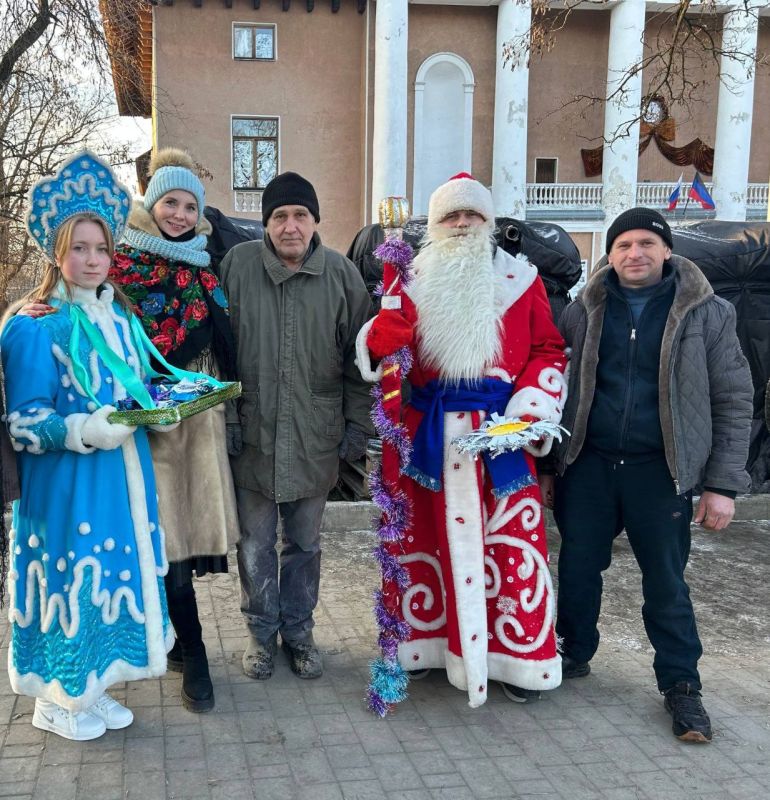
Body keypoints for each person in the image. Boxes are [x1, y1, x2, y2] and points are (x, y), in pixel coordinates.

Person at [542, 207, 753, 743]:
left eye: (645, 243)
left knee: (666, 582)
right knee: (579, 568)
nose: (634, 254)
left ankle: (682, 685)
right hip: (588, 465)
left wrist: (722, 486)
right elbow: (556, 392)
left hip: (661, 471)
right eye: (622, 246)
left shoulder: (708, 313)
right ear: (609, 255)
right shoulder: (582, 311)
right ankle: (573, 653)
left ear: (665, 250)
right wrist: (549, 466)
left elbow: (733, 398)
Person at [357, 173, 567, 707]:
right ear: (434, 224)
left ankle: (519, 661)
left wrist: (529, 410)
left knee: (509, 546)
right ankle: (423, 646)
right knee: (420, 541)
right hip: (426, 436)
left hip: (500, 437)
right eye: (451, 216)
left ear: (487, 222)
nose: (461, 224)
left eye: (471, 215)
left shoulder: (523, 280)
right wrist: (377, 344)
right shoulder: (405, 281)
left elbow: (548, 350)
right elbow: (383, 350)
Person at [1, 151, 172, 740]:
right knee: (70, 583)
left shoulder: (121, 319)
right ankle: (57, 699)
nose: (92, 260)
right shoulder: (34, 324)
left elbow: (136, 388)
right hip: (65, 488)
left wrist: (167, 406)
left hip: (122, 482)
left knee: (110, 579)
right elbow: (24, 421)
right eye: (79, 248)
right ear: (57, 252)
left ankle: (91, 690)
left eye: (101, 248)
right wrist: (85, 429)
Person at [219, 171, 373, 680]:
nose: (290, 226)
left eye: (300, 215)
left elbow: (360, 361)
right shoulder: (237, 267)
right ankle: (261, 634)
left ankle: (300, 633)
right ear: (266, 224)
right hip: (254, 434)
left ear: (315, 221)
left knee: (304, 544)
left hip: (315, 435)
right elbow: (217, 354)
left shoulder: (342, 275)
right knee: (254, 544)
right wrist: (226, 417)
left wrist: (356, 425)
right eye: (280, 216)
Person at [108, 149, 239, 712]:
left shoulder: (206, 265)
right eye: (170, 202)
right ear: (151, 203)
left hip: (200, 418)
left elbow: (222, 340)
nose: (180, 214)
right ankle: (197, 653)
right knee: (164, 542)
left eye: (190, 205)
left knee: (186, 539)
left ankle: (185, 646)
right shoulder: (120, 268)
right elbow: (96, 326)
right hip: (145, 424)